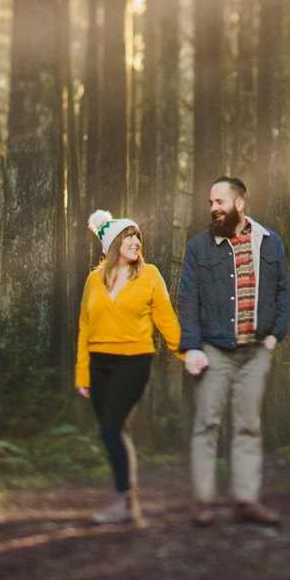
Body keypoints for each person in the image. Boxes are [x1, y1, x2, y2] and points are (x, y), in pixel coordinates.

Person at [175, 176, 289, 527]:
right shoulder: (199, 247)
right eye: (210, 203)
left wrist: (275, 336)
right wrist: (192, 347)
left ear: (239, 204)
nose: (213, 208)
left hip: (255, 353)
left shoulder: (270, 243)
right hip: (215, 350)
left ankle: (246, 501)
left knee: (248, 427)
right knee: (207, 424)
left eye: (219, 202)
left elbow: (283, 292)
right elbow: (186, 299)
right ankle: (204, 503)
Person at [76, 208, 180, 525]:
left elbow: (166, 320)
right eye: (130, 236)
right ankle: (129, 500)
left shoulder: (150, 276)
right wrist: (82, 373)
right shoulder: (94, 280)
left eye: (138, 236)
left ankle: (122, 503)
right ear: (113, 243)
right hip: (98, 363)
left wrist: (189, 354)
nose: (136, 241)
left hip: (134, 361)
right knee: (115, 432)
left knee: (109, 429)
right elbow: (84, 327)